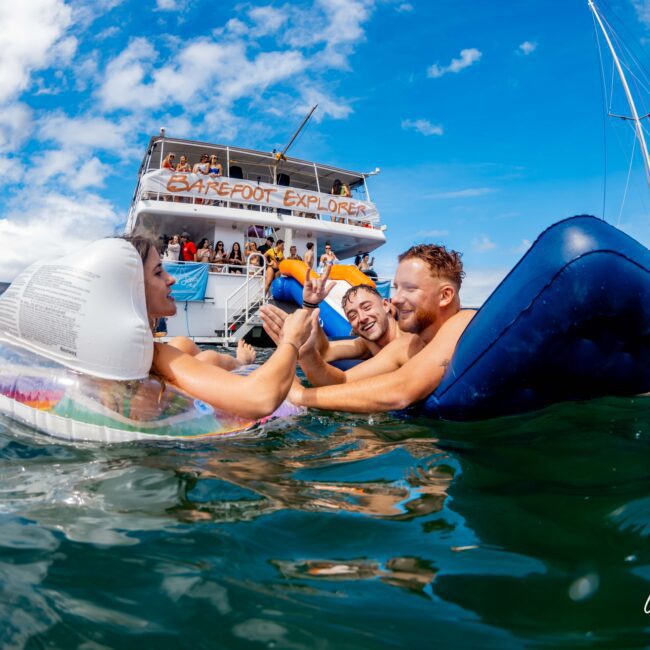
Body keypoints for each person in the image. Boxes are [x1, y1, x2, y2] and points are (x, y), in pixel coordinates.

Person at [122, 235, 316, 419]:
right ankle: (241, 362)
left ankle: (240, 362)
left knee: (185, 345)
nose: (171, 278)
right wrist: (291, 341)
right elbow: (259, 399)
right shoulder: (156, 356)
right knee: (205, 356)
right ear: (134, 287)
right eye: (158, 272)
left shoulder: (136, 355)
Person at [289, 244, 477, 412]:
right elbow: (342, 381)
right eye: (396, 288)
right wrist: (305, 352)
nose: (396, 299)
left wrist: (301, 396)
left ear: (445, 296)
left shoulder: (465, 322)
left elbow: (402, 390)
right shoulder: (407, 345)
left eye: (410, 289)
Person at [260, 265, 409, 371]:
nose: (362, 318)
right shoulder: (366, 344)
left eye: (367, 307)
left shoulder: (411, 338)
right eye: (353, 315)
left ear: (385, 305)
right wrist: (310, 304)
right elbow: (324, 353)